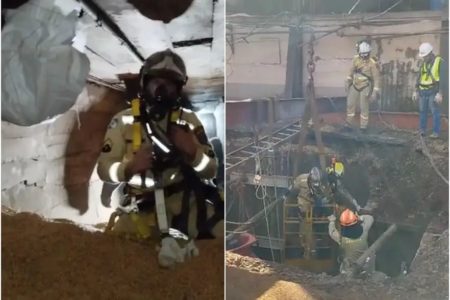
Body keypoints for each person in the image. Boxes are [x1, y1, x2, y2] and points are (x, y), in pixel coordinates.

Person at [97, 49, 222, 267]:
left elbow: (211, 170)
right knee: (114, 260)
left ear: (179, 88)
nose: (161, 91)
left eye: (170, 84)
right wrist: (128, 168)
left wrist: (193, 152)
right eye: (156, 83)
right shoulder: (123, 121)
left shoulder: (190, 121)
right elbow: (103, 169)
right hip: (141, 206)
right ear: (145, 83)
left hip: (185, 201)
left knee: (221, 234)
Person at [412, 42, 447, 138]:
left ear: (431, 53)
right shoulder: (424, 63)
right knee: (422, 111)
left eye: (425, 56)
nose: (424, 58)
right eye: (423, 56)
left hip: (433, 91)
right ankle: (422, 130)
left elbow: (444, 79)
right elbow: (419, 76)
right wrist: (415, 90)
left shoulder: (440, 61)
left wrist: (440, 93)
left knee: (435, 111)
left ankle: (436, 132)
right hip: (422, 91)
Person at [345, 41, 381, 132]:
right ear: (359, 53)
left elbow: (376, 78)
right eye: (363, 55)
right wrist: (347, 80)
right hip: (355, 84)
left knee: (363, 107)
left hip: (365, 86)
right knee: (350, 104)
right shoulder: (356, 59)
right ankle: (348, 124)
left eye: (366, 55)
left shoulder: (372, 63)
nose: (364, 57)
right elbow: (351, 71)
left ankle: (363, 127)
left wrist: (374, 92)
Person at [328, 209, 374, 275]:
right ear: (355, 221)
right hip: (364, 270)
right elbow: (370, 218)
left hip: (348, 271)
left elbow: (331, 232)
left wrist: (332, 221)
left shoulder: (341, 238)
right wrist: (359, 217)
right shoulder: (364, 230)